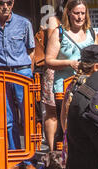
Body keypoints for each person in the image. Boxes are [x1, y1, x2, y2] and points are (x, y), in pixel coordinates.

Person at [0, 0, 38, 169]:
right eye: (1, 2)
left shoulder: (24, 23)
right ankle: (15, 157)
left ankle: (29, 160)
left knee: (27, 117)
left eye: (9, 2)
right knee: (8, 118)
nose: (5, 6)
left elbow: (31, 52)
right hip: (0, 74)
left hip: (21, 72)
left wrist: (28, 76)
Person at [45, 0, 97, 150]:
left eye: (82, 13)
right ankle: (64, 158)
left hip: (87, 86)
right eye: (76, 13)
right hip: (64, 86)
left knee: (86, 123)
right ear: (68, 13)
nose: (80, 17)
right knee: (67, 125)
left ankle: (83, 156)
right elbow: (48, 60)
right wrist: (69, 63)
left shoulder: (91, 32)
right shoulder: (59, 32)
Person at [38, 7, 63, 151]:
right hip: (54, 69)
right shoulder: (54, 20)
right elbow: (54, 45)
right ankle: (53, 151)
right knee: (52, 112)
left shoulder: (83, 22)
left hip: (73, 71)